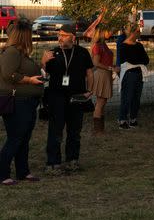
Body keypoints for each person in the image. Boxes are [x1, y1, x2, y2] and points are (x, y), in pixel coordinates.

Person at [41, 23, 93, 175]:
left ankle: (72, 161)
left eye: (64, 35)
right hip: (56, 97)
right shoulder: (52, 53)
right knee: (55, 131)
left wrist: (90, 90)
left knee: (75, 131)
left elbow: (89, 73)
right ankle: (53, 163)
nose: (60, 38)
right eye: (59, 35)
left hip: (76, 97)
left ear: (72, 37)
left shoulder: (82, 53)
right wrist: (44, 62)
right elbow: (43, 76)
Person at [0, 21, 45, 185]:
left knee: (24, 139)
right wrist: (29, 80)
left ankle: (23, 171)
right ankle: (2, 173)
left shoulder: (21, 53)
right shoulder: (11, 52)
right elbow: (8, 74)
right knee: (15, 138)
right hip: (18, 102)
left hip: (28, 102)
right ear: (23, 36)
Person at [117, 26, 150, 129]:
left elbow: (146, 60)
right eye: (137, 32)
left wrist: (138, 60)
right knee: (127, 97)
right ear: (132, 33)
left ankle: (133, 118)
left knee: (136, 97)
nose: (139, 34)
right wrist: (138, 60)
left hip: (138, 73)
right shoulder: (123, 46)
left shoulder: (139, 45)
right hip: (129, 74)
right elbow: (131, 60)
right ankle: (122, 119)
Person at [89, 25, 115, 134]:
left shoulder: (103, 44)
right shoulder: (98, 46)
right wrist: (110, 67)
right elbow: (96, 63)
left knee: (103, 101)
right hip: (102, 74)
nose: (111, 33)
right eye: (108, 31)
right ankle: (98, 129)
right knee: (101, 101)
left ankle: (100, 128)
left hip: (106, 74)